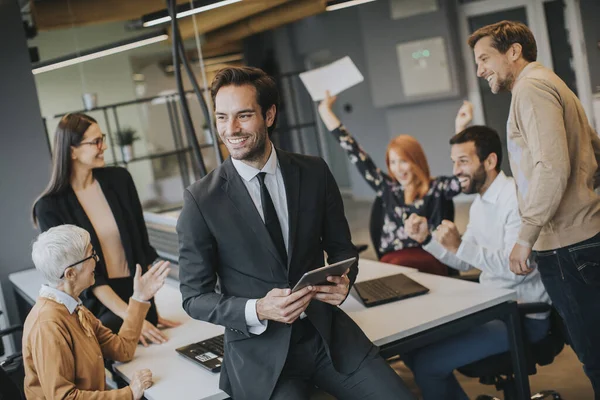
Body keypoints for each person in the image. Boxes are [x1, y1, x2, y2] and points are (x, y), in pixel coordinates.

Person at [176, 66, 414, 400]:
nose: (231, 129)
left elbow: (343, 250)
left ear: (269, 114)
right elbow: (194, 296)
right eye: (222, 117)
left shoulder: (314, 171)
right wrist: (257, 309)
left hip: (327, 336)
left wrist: (345, 281)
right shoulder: (201, 199)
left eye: (243, 116)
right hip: (261, 354)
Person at [468, 20, 600, 396]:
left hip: (566, 246)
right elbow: (594, 152)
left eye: (484, 59)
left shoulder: (530, 88)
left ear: (513, 51)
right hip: (583, 238)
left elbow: (551, 166)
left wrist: (525, 236)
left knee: (594, 357)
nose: (480, 70)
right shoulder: (552, 83)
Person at [402, 107, 550, 399]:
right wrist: (429, 240)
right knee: (412, 346)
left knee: (428, 366)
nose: (456, 170)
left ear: (490, 160)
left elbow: (515, 269)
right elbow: (464, 258)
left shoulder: (514, 200)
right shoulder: (481, 203)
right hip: (491, 308)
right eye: (454, 162)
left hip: (520, 317)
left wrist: (460, 245)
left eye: (463, 161)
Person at [32, 113, 180, 347]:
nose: (104, 147)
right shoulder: (50, 207)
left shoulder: (119, 179)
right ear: (72, 151)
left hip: (137, 297)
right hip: (101, 309)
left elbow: (141, 245)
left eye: (102, 138)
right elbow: (80, 273)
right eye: (95, 142)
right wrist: (132, 316)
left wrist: (145, 309)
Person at [318, 92, 460, 275]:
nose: (398, 169)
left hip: (430, 257)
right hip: (393, 263)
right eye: (392, 162)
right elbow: (353, 150)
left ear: (416, 161)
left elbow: (463, 179)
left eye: (403, 161)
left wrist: (461, 127)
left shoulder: (437, 188)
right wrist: (325, 111)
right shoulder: (387, 188)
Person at [23, 224, 171, 399]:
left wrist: (139, 298)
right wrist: (128, 393)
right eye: (91, 254)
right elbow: (64, 398)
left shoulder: (74, 309)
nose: (97, 259)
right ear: (70, 274)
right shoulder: (48, 325)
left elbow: (122, 350)